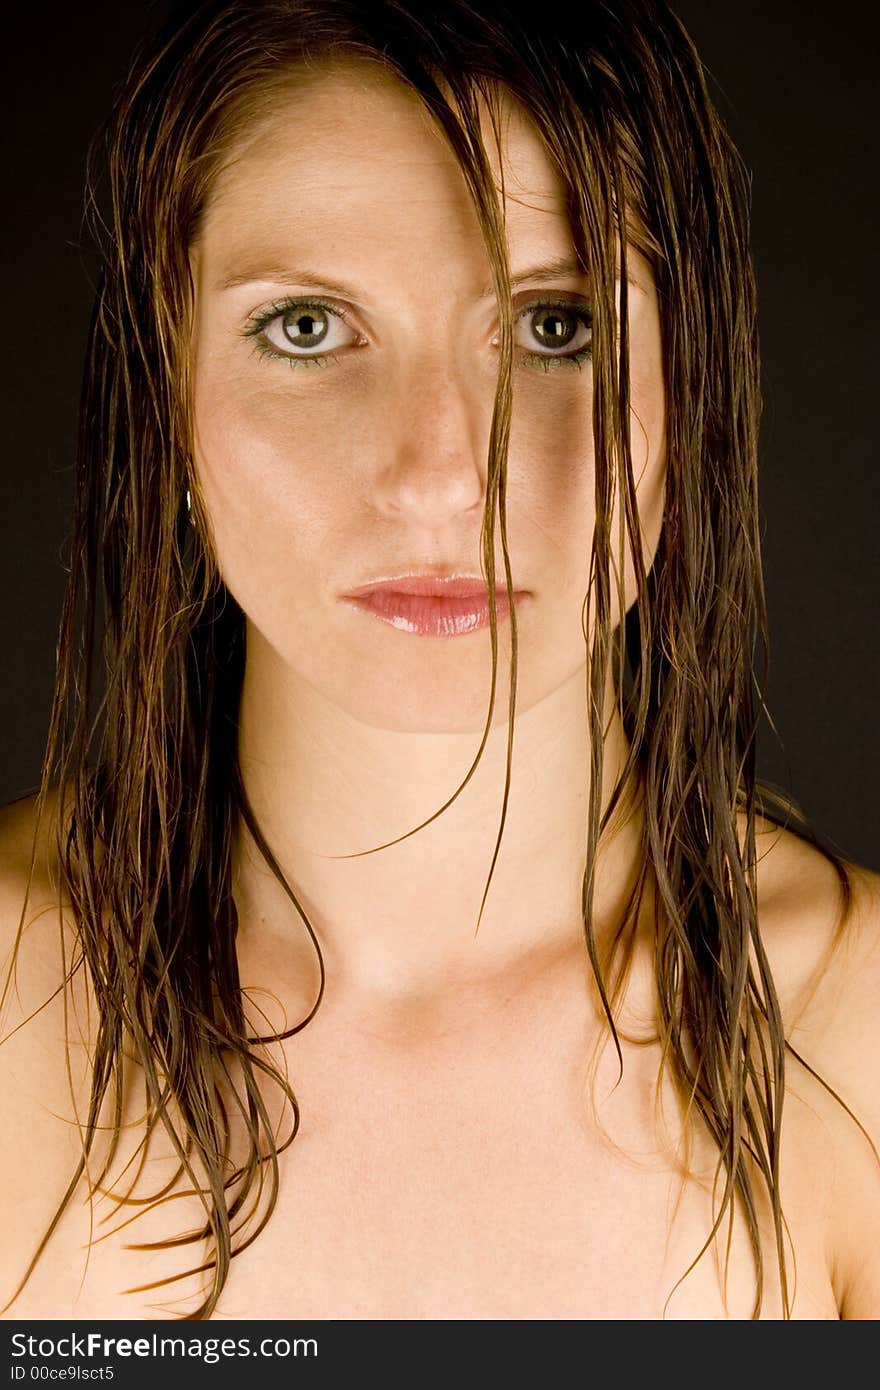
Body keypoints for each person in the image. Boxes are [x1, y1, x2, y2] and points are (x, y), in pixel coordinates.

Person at [0, 0, 878, 1322]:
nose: (438, 480)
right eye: (306, 327)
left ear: (690, 386)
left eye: (552, 327)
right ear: (160, 394)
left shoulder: (859, 1038)